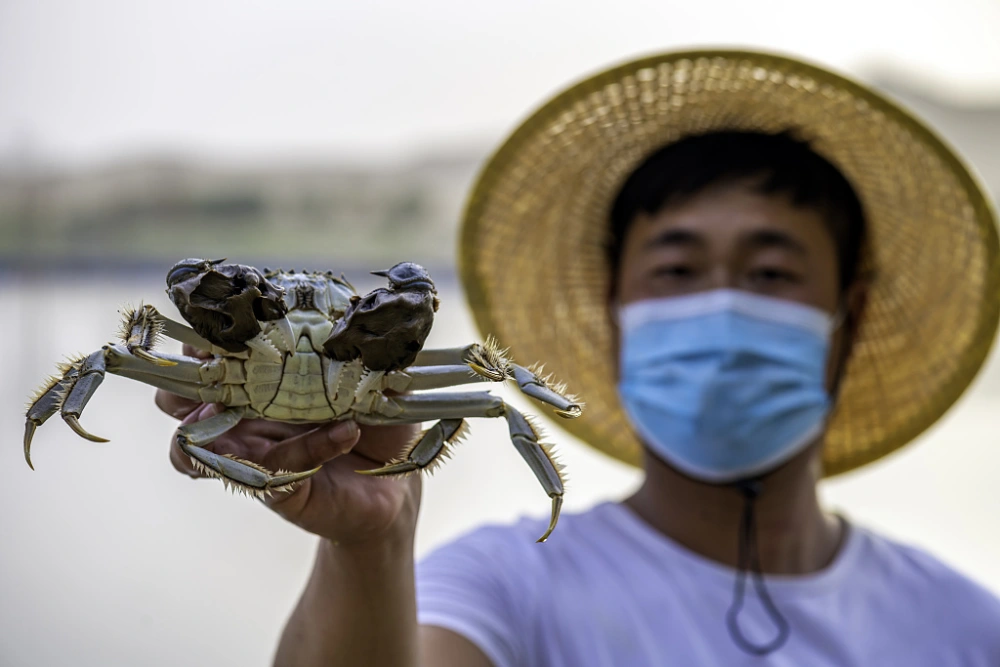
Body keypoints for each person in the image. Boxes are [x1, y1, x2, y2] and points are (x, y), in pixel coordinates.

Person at [157, 50, 1000, 665]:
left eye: (771, 271)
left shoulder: (969, 630)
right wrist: (371, 543)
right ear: (614, 308)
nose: (719, 305)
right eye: (676, 269)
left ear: (849, 316)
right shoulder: (501, 588)